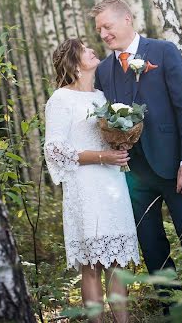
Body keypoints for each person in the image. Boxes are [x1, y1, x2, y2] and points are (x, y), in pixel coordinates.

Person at [92, 0, 182, 321]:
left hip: (174, 168)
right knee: (152, 247)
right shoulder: (104, 71)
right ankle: (173, 310)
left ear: (127, 19)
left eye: (107, 26)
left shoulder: (163, 52)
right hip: (133, 174)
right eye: (98, 31)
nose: (104, 35)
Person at [44, 38, 139, 323]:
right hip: (84, 187)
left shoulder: (100, 97)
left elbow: (106, 137)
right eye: (84, 49)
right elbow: (55, 150)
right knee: (92, 264)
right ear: (74, 63)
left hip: (112, 185)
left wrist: (122, 144)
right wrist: (102, 157)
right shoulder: (60, 99)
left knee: (116, 262)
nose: (91, 50)